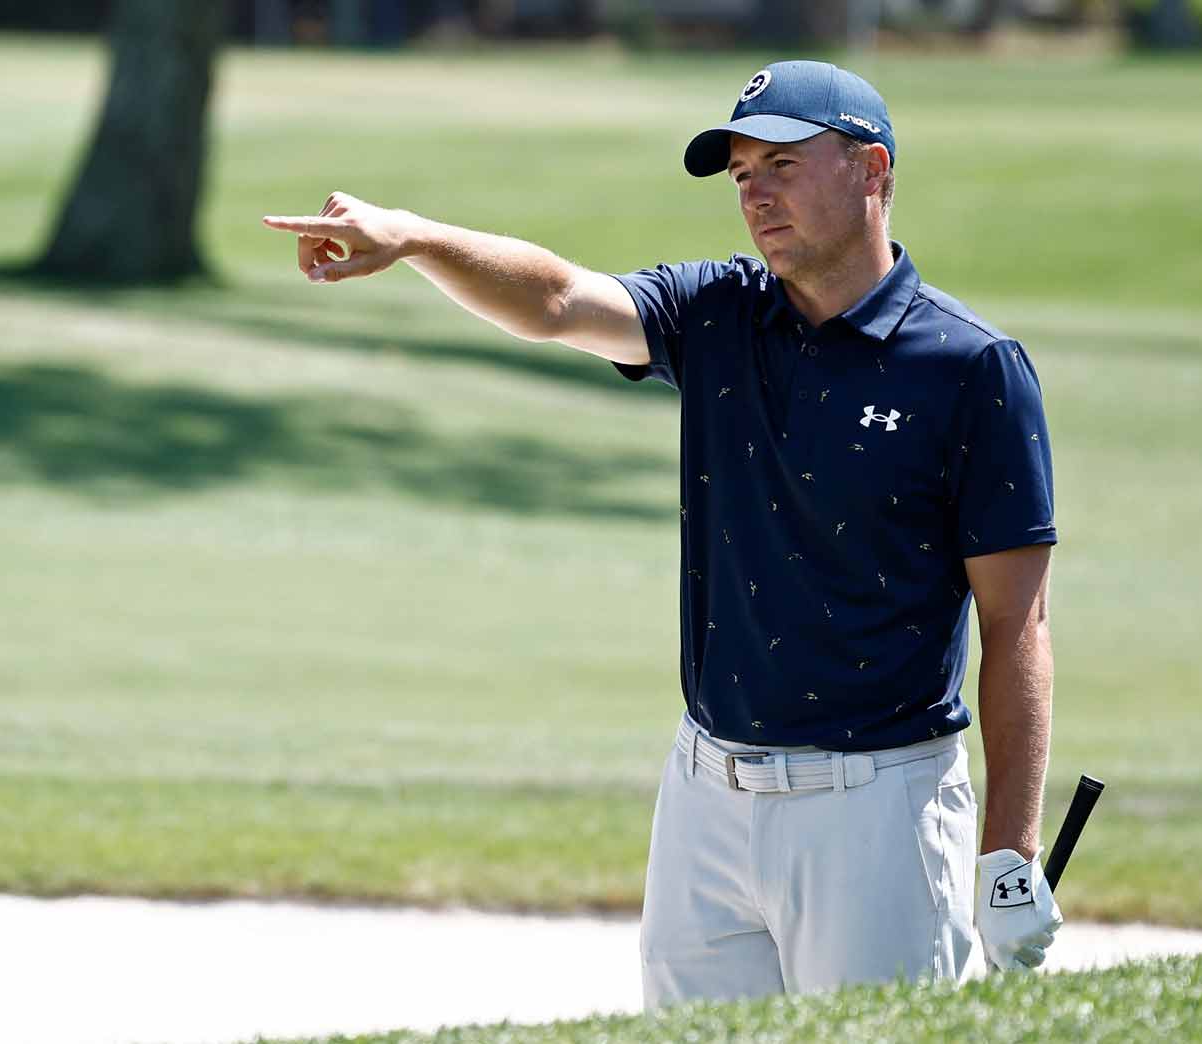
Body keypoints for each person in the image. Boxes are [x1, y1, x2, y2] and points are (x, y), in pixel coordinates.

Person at [262, 59, 1062, 1007]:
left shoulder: (971, 367)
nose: (756, 195)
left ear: (873, 170)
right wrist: (412, 239)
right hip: (704, 801)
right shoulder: (716, 313)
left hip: (877, 812)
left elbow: (1017, 624)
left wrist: (1009, 852)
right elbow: (558, 300)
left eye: (783, 164)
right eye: (741, 175)